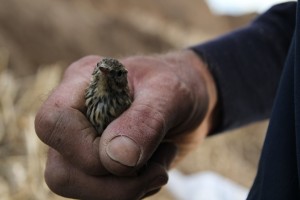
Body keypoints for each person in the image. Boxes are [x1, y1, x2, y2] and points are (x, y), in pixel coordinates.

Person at [34, 2, 298, 200]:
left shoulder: (122, 99)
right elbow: (290, 33)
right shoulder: (94, 97)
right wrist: (204, 78)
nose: (104, 75)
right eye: (100, 71)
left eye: (114, 74)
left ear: (120, 79)